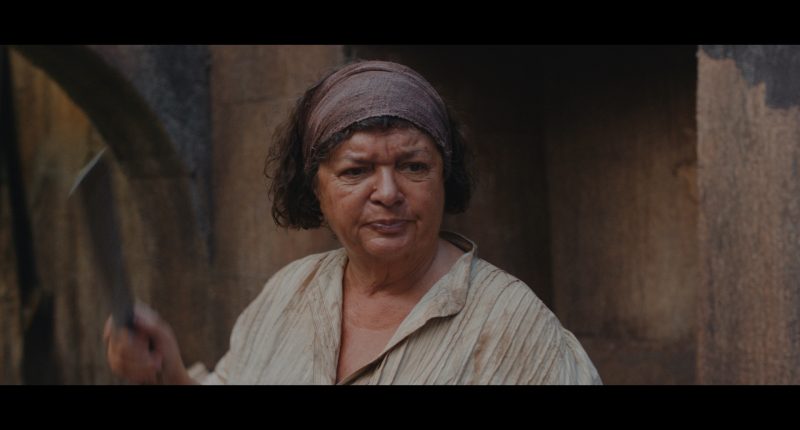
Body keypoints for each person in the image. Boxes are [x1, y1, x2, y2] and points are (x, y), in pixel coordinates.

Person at [104, 60, 602, 385]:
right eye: (356, 171)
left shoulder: (511, 324)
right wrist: (166, 372)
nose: (387, 192)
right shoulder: (289, 293)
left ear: (444, 178)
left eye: (413, 166)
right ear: (315, 189)